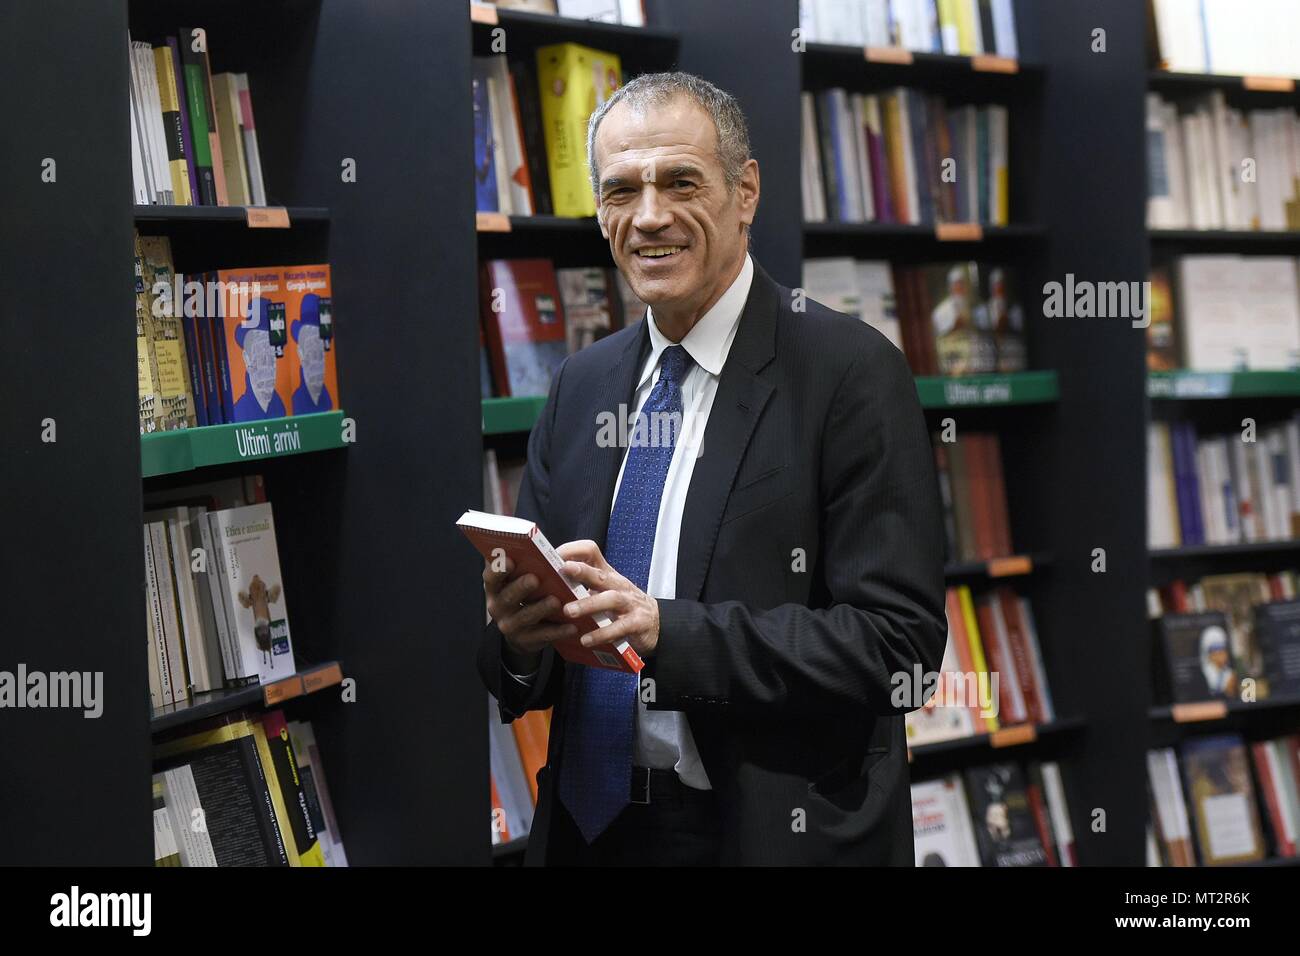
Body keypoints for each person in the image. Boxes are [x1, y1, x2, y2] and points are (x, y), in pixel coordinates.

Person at [477, 72, 946, 865]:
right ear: (600, 212)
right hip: (591, 835)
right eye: (621, 189)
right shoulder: (581, 385)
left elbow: (898, 647)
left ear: (746, 191)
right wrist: (520, 639)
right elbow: (529, 668)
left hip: (762, 835)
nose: (649, 215)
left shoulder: (849, 373)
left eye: (681, 182)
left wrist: (668, 633)